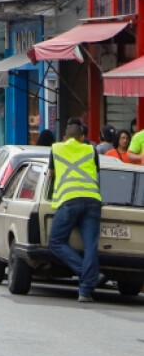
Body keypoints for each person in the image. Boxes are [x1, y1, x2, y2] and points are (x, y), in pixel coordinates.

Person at [47, 123, 103, 302]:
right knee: (90, 246)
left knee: (56, 241)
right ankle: (85, 290)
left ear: (65, 137)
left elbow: (51, 174)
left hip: (69, 200)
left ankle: (88, 275)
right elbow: (96, 172)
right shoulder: (91, 150)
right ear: (82, 137)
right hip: (93, 200)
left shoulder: (56, 148)